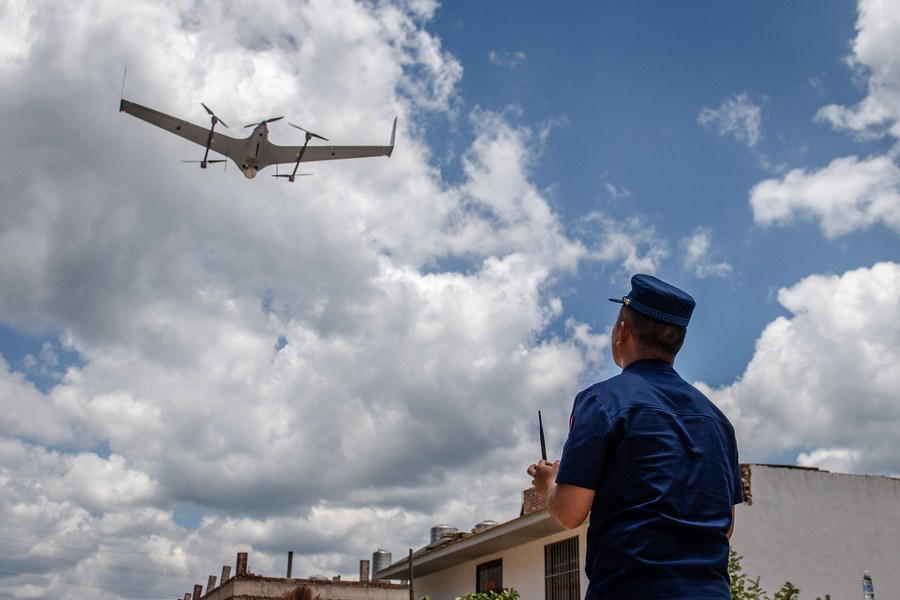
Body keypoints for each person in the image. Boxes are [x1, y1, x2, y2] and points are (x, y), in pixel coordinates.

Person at [527, 274, 742, 599]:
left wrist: (550, 484)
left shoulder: (602, 402)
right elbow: (724, 528)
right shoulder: (718, 421)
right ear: (677, 343)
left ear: (622, 332)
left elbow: (570, 513)